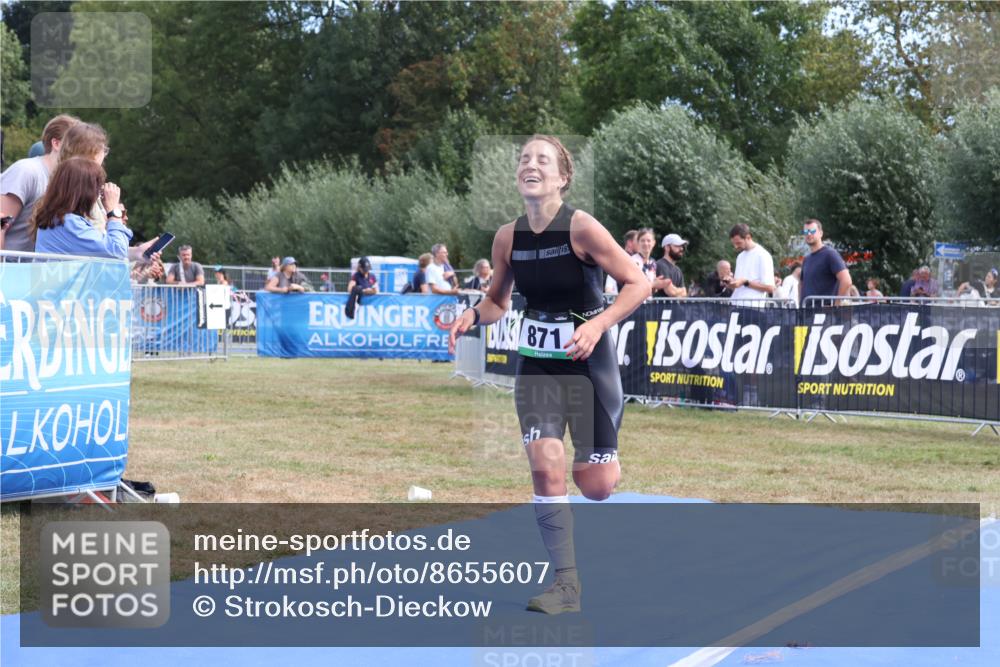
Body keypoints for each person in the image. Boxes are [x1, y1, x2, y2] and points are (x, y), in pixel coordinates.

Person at [449, 135, 650, 615]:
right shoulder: (506, 237)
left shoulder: (582, 228)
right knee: (545, 464)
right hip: (537, 365)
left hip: (588, 363)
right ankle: (566, 586)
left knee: (596, 485)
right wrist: (473, 316)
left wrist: (598, 324)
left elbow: (638, 282)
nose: (530, 165)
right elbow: (499, 300)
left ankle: (602, 461)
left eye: (543, 160)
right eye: (524, 159)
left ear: (562, 177)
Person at [0, 114, 79, 251]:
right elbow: (1, 223)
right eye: (77, 144)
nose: (83, 152)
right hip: (10, 267)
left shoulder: (67, 183)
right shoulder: (26, 171)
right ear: (56, 144)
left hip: (35, 270)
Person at [31, 157, 131, 258]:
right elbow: (118, 250)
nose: (98, 196)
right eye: (97, 188)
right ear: (85, 192)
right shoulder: (69, 223)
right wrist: (114, 212)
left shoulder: (57, 219)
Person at [799, 219, 852, 305]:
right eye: (805, 232)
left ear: (821, 233)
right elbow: (801, 284)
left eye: (812, 231)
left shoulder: (830, 254)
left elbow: (846, 280)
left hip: (825, 313)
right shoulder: (807, 259)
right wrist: (800, 304)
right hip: (807, 312)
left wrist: (836, 304)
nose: (809, 234)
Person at [727, 224, 774, 301]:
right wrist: (730, 282)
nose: (736, 247)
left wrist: (745, 282)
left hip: (753, 307)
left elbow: (770, 288)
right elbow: (739, 283)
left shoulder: (763, 255)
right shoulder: (740, 256)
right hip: (735, 304)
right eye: (734, 244)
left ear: (748, 237)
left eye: (738, 243)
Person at [653, 233, 688, 297]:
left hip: (673, 307)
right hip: (662, 307)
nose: (681, 249)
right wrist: (680, 291)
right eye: (677, 246)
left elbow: (685, 293)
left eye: (681, 246)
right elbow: (670, 291)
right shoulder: (660, 265)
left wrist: (678, 292)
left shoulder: (678, 270)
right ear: (667, 247)